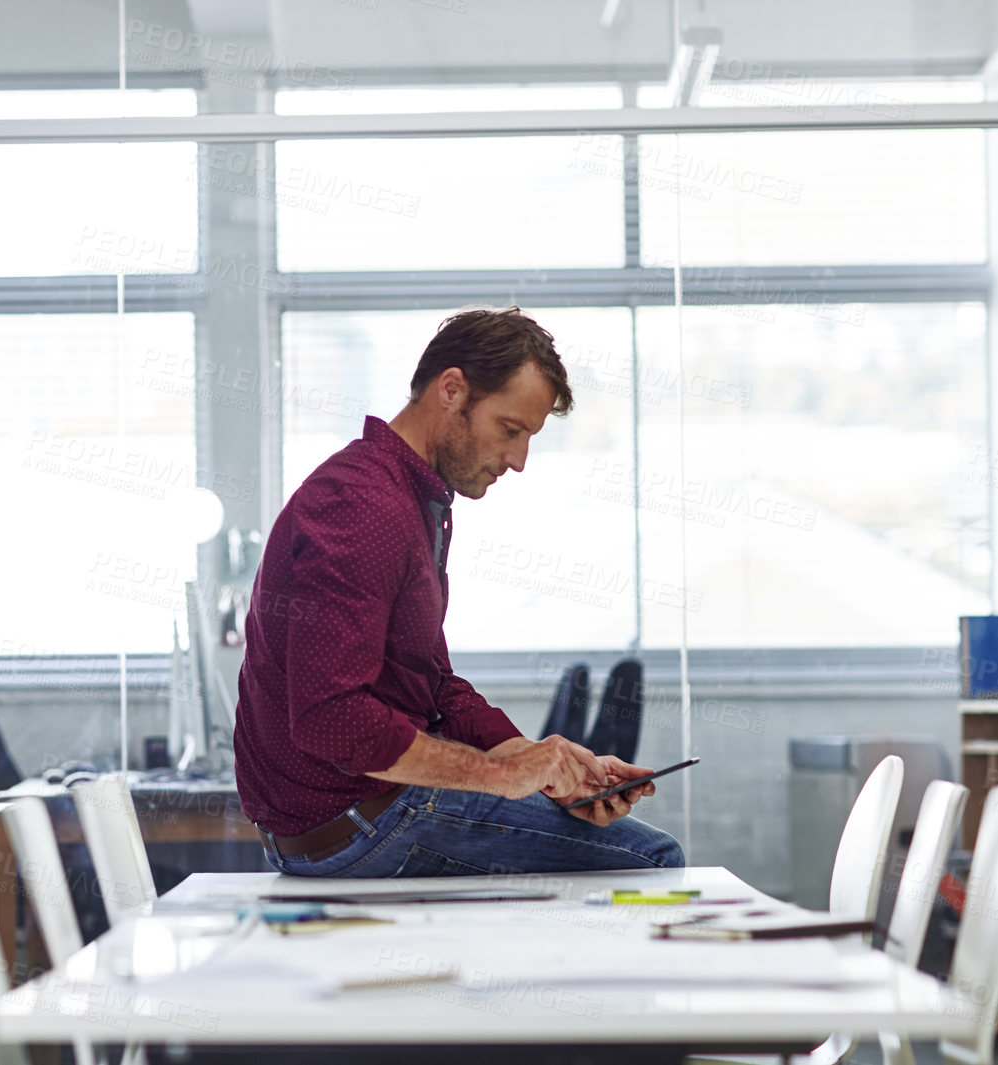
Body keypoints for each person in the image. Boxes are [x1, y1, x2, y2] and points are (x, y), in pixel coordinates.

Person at [233, 307, 684, 877]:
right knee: (653, 860)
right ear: (452, 390)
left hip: (364, 816)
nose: (518, 461)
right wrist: (502, 777)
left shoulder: (410, 498)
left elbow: (434, 688)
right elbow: (332, 719)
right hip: (358, 824)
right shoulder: (362, 506)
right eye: (510, 430)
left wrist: (543, 766)